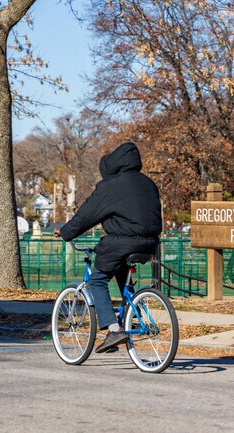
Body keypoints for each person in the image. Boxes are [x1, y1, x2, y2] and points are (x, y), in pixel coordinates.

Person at [54, 141, 162, 353]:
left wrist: (66, 232)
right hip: (151, 243)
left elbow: (87, 215)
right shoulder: (148, 183)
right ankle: (130, 315)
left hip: (122, 241)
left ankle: (114, 330)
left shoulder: (111, 186)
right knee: (122, 274)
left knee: (97, 281)